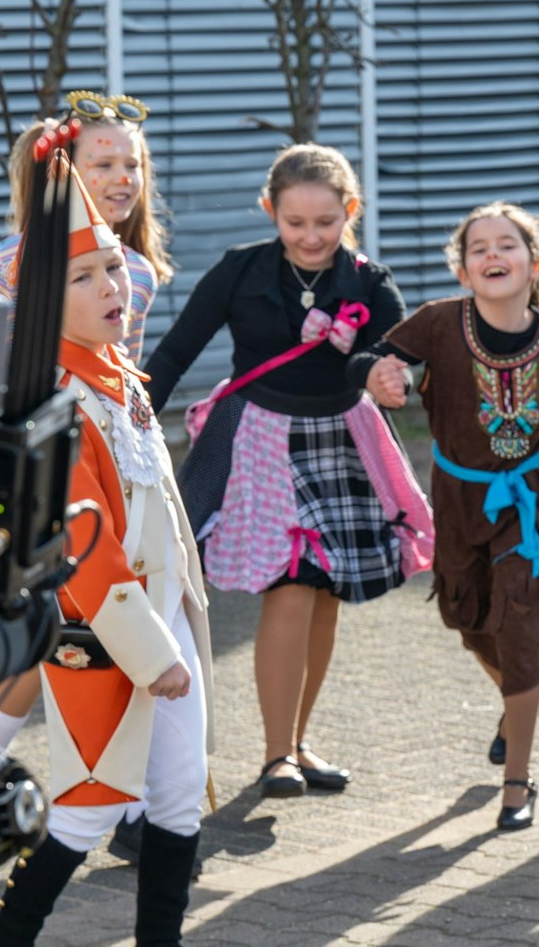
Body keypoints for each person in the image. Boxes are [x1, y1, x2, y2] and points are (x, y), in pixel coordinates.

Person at [143, 144, 432, 799]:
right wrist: (134, 411)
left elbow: (379, 360)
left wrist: (389, 377)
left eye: (325, 222)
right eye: (294, 222)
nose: (310, 236)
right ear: (270, 210)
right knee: (292, 582)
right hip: (260, 437)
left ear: (349, 211)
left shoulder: (370, 281)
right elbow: (177, 348)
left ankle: (298, 742)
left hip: (340, 437)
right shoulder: (240, 271)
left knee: (325, 591)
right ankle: (276, 756)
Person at [353, 202, 539, 829]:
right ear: (463, 271)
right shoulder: (438, 324)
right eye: (478, 248)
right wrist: (378, 371)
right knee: (465, 616)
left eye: (507, 245)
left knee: (519, 619)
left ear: (535, 262)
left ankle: (517, 785)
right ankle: (516, 695)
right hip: (457, 497)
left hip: (529, 498)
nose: (492, 255)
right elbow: (369, 359)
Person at [0, 165, 212, 946]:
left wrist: (179, 618)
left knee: (180, 796)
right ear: (45, 301)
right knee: (89, 807)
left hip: (164, 617)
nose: (111, 285)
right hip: (105, 640)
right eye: (84, 276)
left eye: (113, 266)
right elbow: (84, 549)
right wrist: (154, 654)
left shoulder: (119, 373)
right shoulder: (58, 400)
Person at [0, 91, 172, 363]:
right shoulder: (15, 257)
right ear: (63, 170)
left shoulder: (140, 272)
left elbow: (125, 367)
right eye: (104, 165)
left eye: (132, 165)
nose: (124, 178)